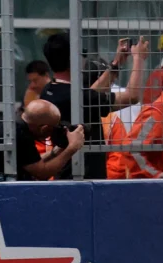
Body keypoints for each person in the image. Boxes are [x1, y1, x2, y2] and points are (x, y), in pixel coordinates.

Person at [38, 33, 150, 178]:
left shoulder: (49, 91)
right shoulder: (80, 97)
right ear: (73, 59)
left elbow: (92, 94)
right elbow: (131, 97)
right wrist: (139, 59)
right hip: (86, 177)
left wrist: (117, 62)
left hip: (66, 173)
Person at [0, 99, 83, 181]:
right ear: (44, 128)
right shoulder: (20, 135)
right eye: (54, 128)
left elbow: (32, 162)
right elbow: (42, 172)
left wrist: (56, 151)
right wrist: (72, 148)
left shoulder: (8, 125)